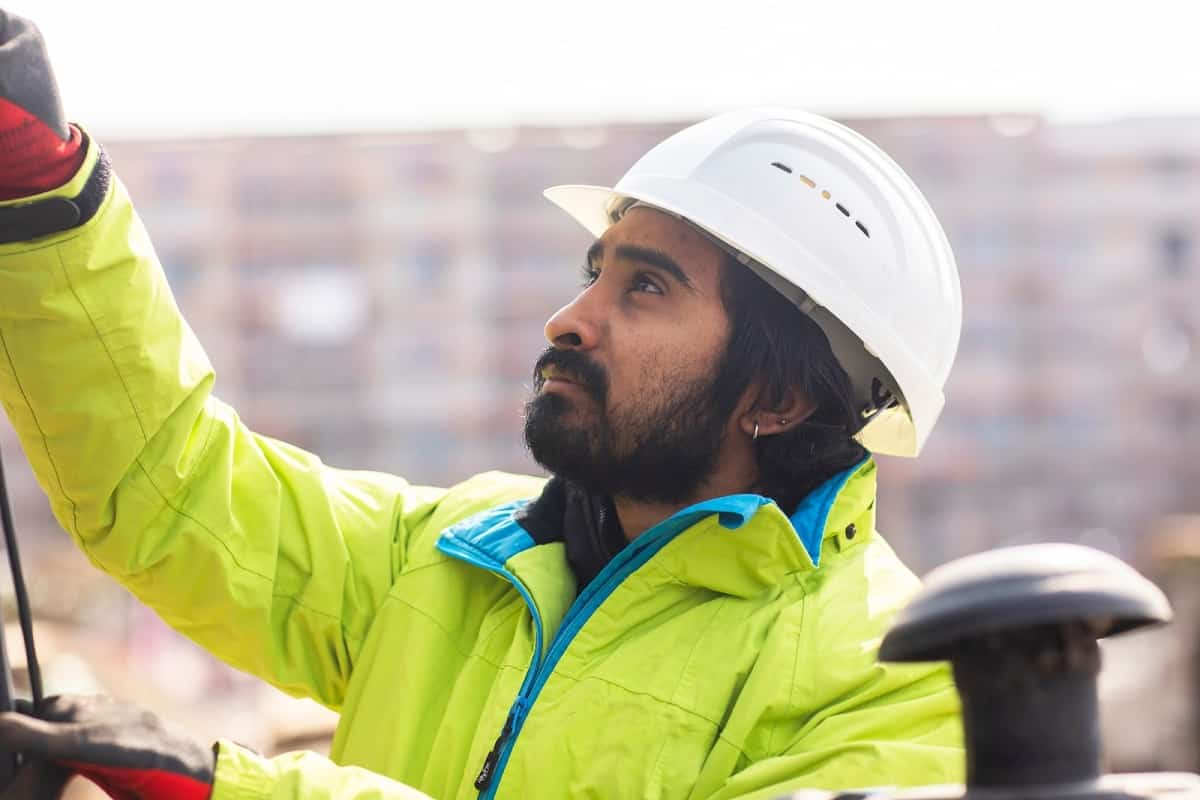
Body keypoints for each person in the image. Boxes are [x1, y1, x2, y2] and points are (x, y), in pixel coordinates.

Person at [0, 10, 964, 800]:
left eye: (647, 289)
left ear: (780, 395)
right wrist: (45, 201)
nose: (568, 320)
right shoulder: (452, 554)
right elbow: (173, 491)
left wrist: (237, 792)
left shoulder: (897, 677)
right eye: (596, 273)